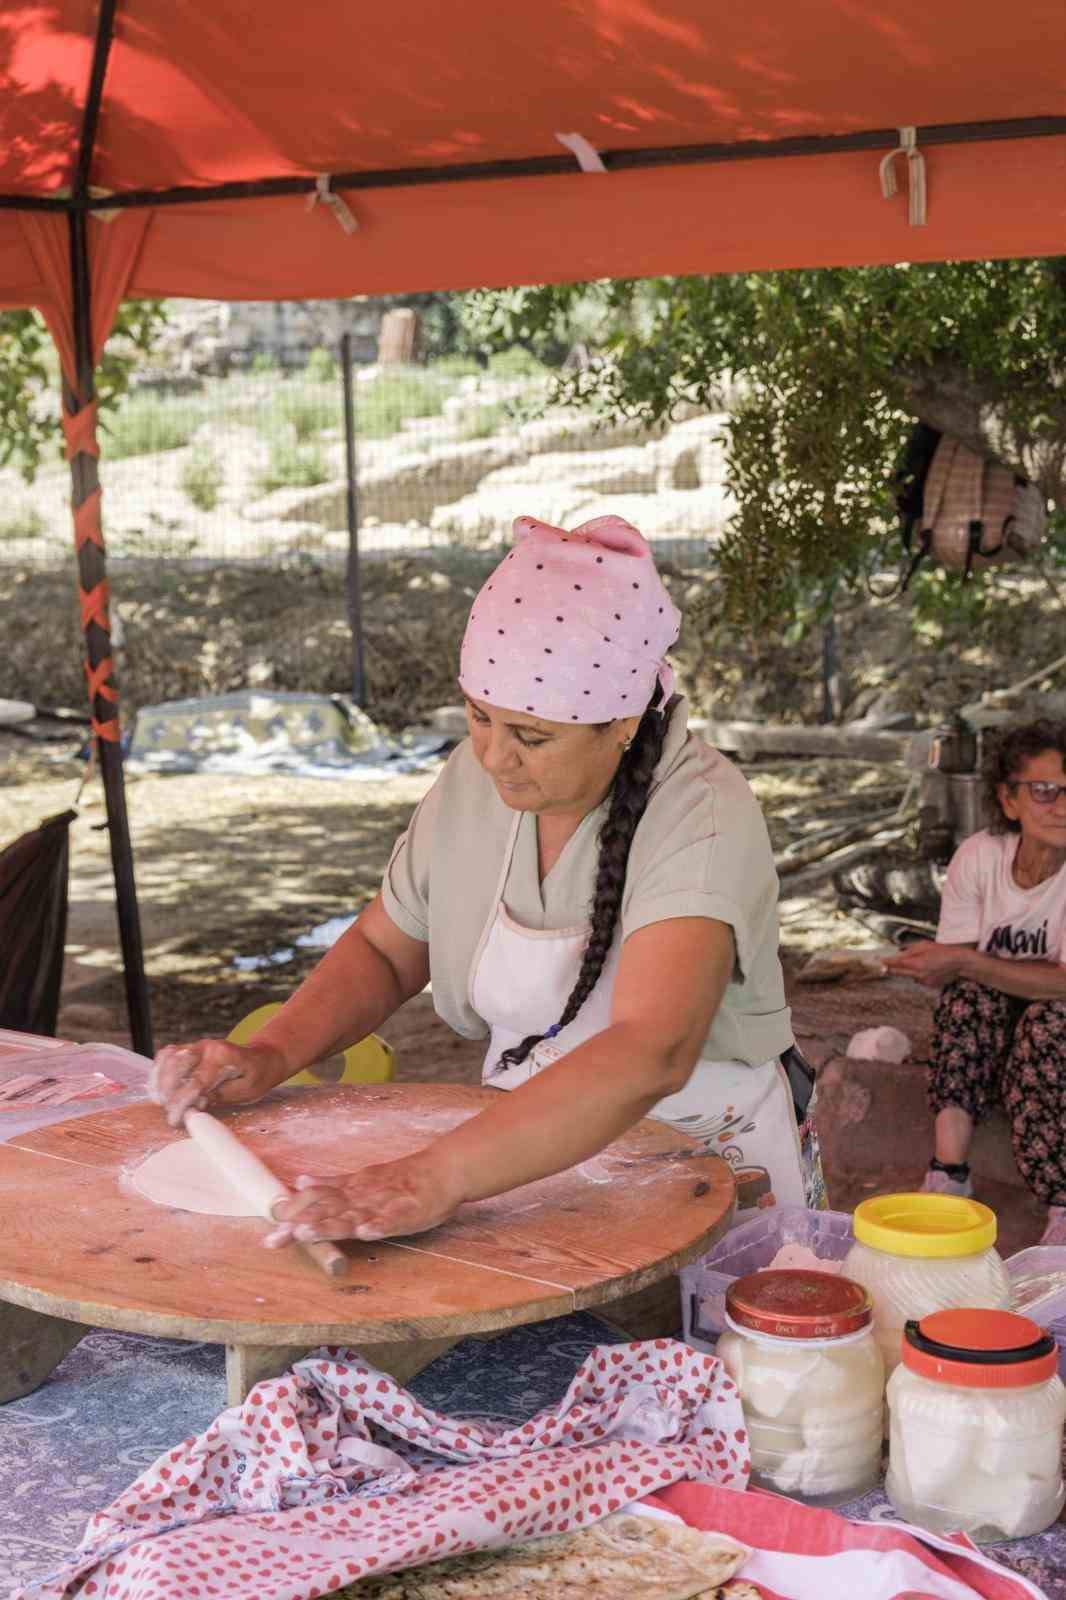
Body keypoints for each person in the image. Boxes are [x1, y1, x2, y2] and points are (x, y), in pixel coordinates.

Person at [152, 514, 820, 1246]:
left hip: (695, 1162)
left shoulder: (701, 813)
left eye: (532, 737)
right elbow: (385, 948)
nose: (495, 757)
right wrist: (270, 1053)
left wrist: (433, 1177)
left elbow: (649, 1050)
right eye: (478, 717)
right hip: (514, 1157)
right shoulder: (477, 780)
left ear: (622, 720)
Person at [886, 719, 1066, 1244]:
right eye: (1044, 791)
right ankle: (949, 1174)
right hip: (996, 1016)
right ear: (1009, 800)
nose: (1060, 805)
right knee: (968, 1001)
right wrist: (944, 966)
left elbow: (1060, 988)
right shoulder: (980, 856)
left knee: (1048, 1022)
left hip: (1054, 1021)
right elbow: (956, 968)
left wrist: (963, 963)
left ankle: (1061, 1203)